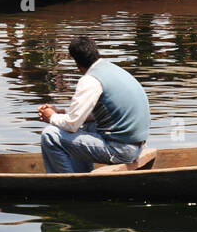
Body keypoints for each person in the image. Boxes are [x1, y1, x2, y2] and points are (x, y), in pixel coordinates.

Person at [39, 36, 150, 173]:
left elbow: (72, 125)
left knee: (50, 135)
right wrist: (64, 114)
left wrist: (51, 117)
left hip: (121, 150)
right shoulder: (111, 69)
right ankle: (81, 174)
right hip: (137, 146)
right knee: (82, 126)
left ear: (77, 63)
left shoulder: (90, 80)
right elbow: (92, 116)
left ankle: (67, 183)